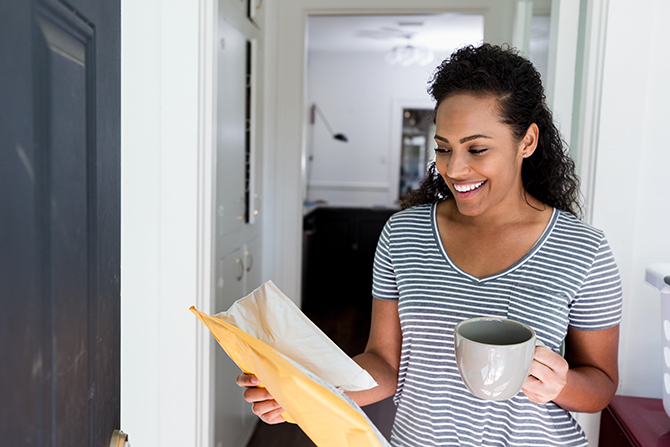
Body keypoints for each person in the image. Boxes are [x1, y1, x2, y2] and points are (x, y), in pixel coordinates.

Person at [237, 43, 623, 446]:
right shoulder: (404, 234)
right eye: (443, 148)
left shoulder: (583, 250)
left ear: (526, 142)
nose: (454, 169)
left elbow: (601, 384)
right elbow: (384, 364)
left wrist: (559, 384)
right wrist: (306, 391)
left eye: (477, 149)